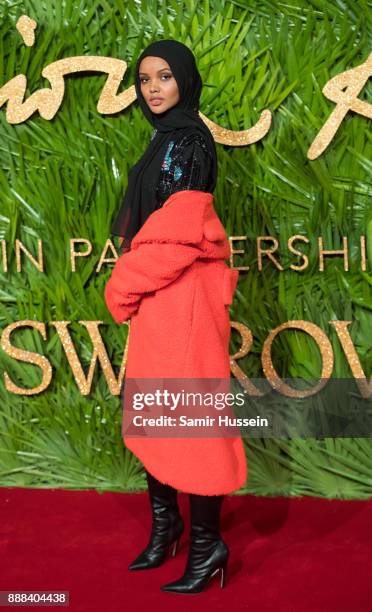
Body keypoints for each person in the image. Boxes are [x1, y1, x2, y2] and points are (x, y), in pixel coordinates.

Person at [104, 39, 248, 594]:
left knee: (191, 424)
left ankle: (209, 546)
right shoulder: (164, 137)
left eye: (165, 76)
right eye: (145, 80)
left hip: (182, 301)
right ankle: (168, 530)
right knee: (161, 416)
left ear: (185, 80)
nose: (155, 87)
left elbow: (181, 236)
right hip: (162, 303)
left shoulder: (189, 141)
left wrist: (123, 285)